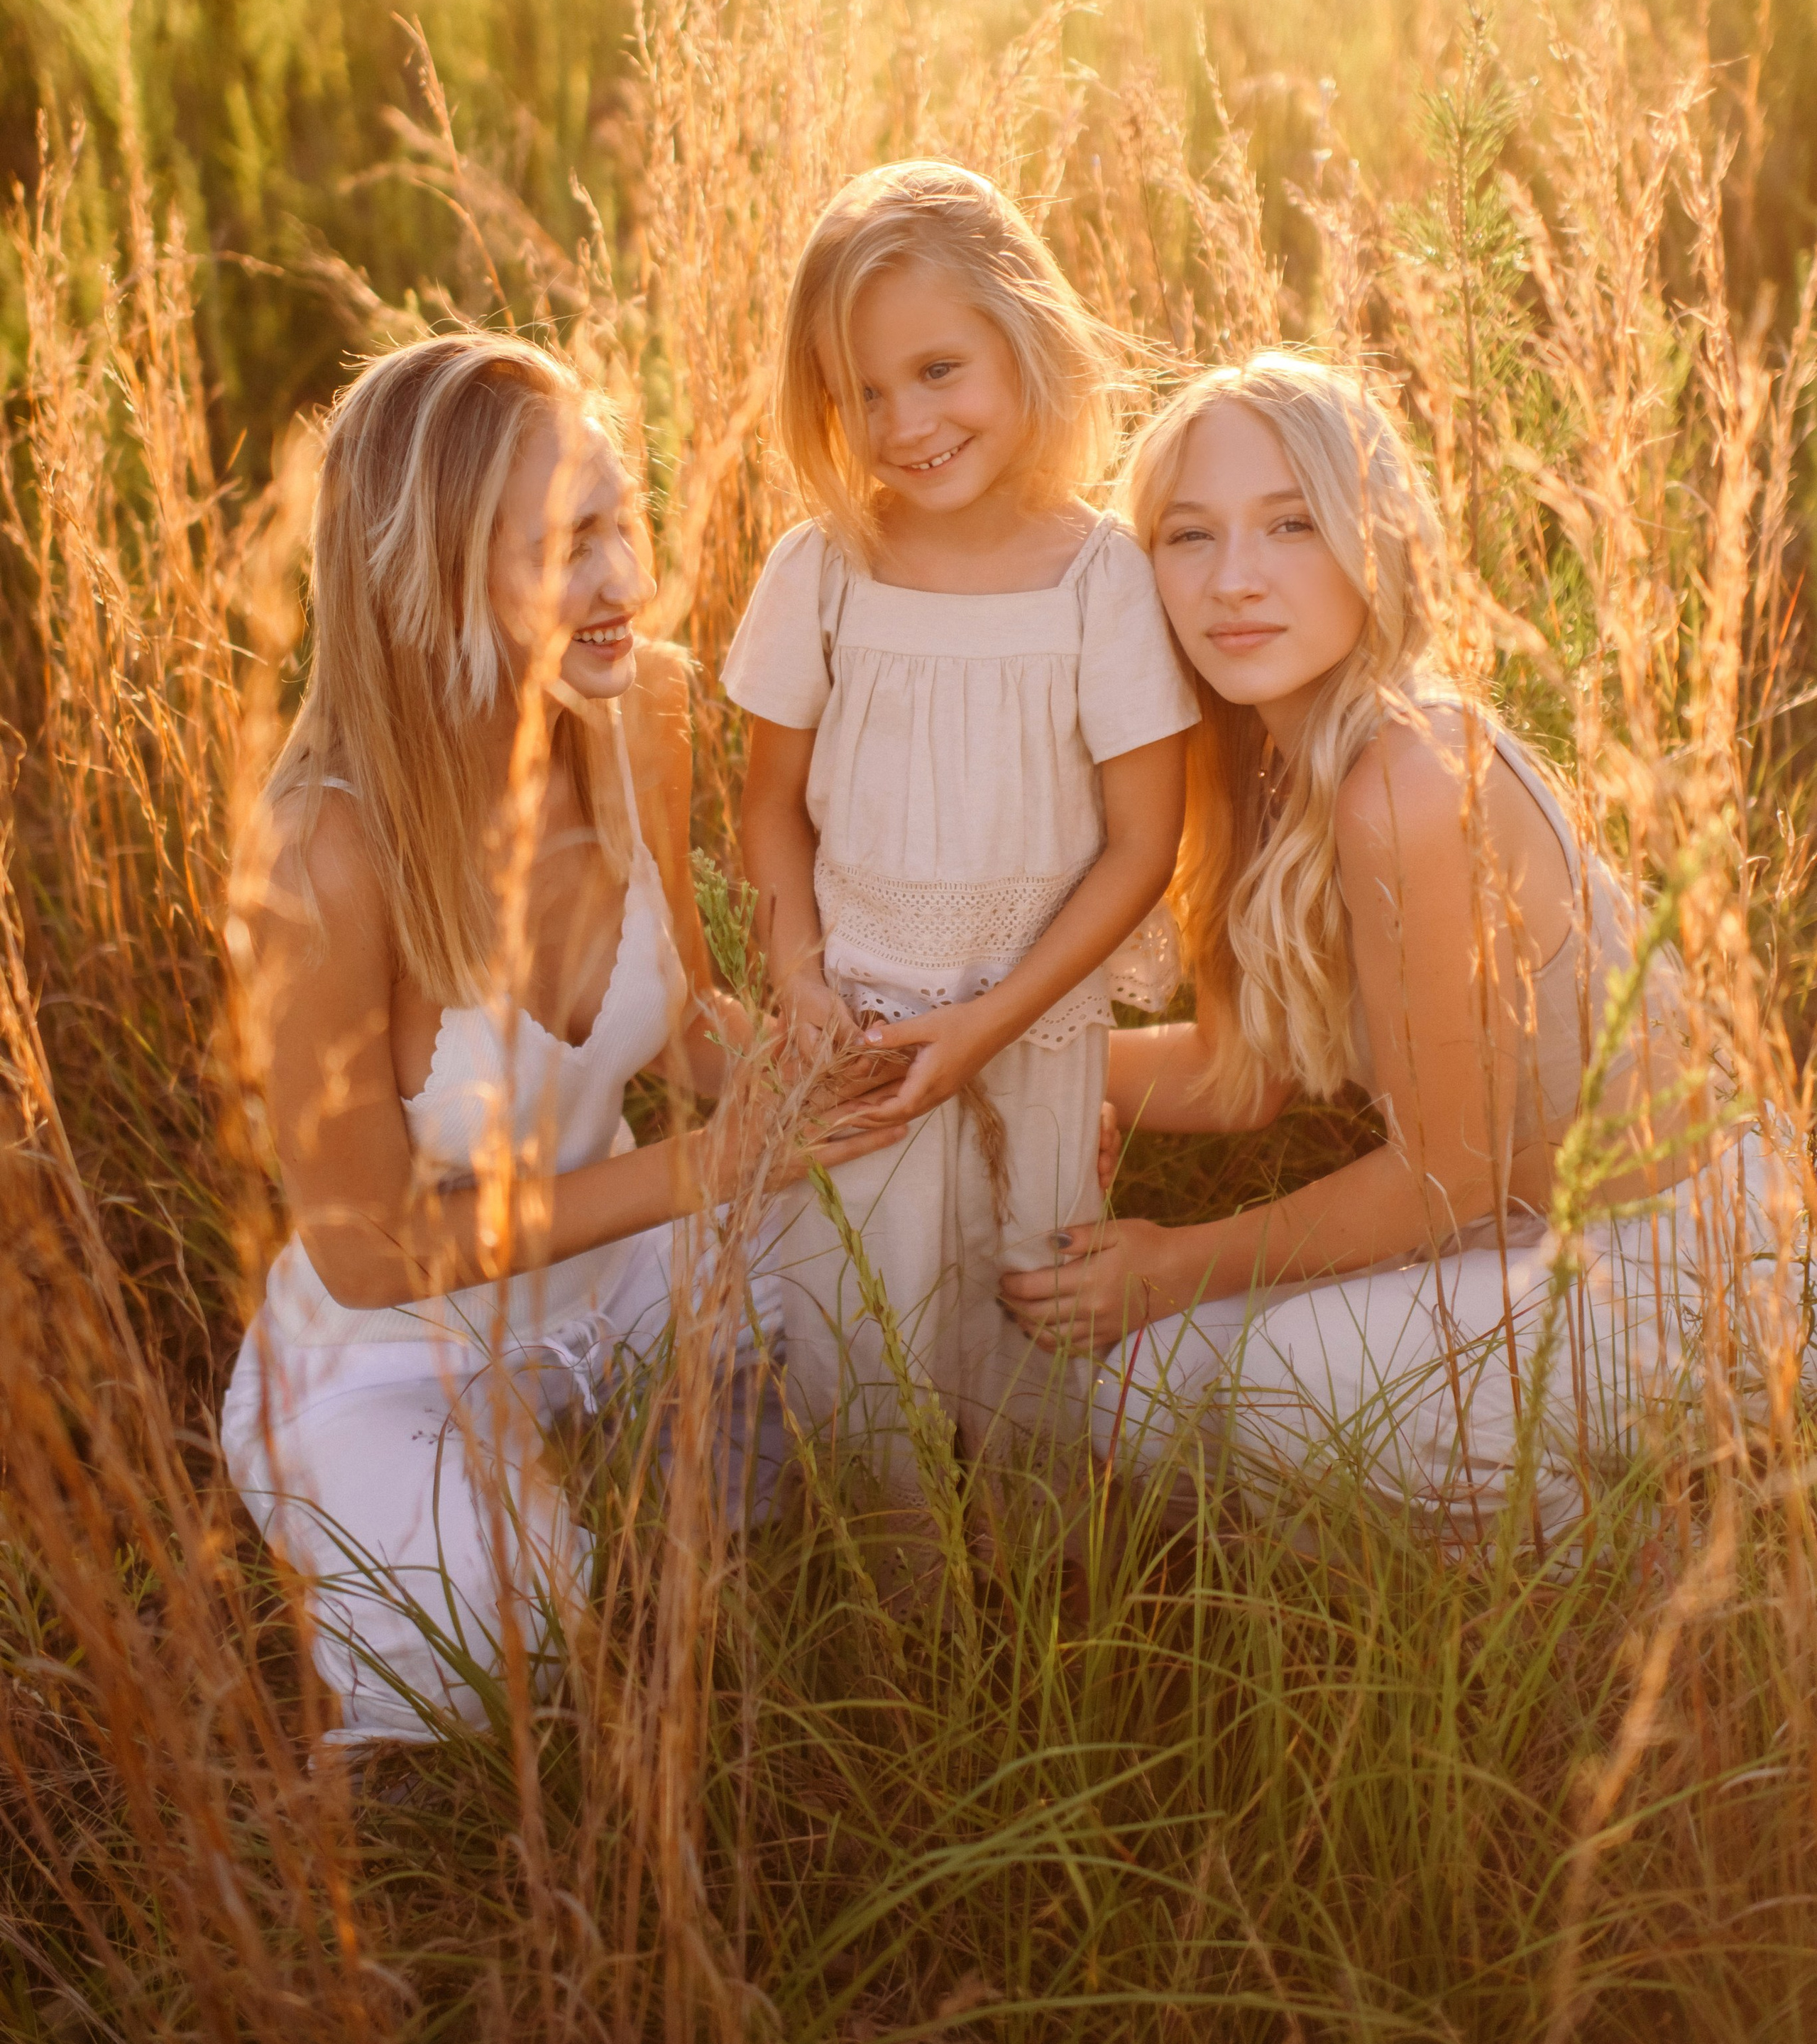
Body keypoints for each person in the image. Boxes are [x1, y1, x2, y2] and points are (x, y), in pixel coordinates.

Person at [222, 332, 902, 1750]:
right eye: (560, 545)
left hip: (623, 1291)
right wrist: (706, 1171)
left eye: (615, 519)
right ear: (426, 578)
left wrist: (820, 1070)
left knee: (883, 1285)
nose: (622, 582)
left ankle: (659, 1492)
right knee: (494, 1663)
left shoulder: (634, 707)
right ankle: (445, 1532)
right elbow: (361, 1247)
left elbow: (688, 1020)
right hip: (395, 1355)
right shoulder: (322, 850)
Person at [999, 351, 1804, 1546]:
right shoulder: (1251, 768)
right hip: (1517, 1242)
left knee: (1289, 1380)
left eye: (1291, 524)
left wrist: (1173, 1265)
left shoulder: (1409, 778)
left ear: (1373, 539)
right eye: (1188, 536)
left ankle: (1637, 1598)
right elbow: (1241, 1075)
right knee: (1121, 1394)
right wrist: (1001, 1066)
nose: (1236, 581)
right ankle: (1484, 1545)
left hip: (1690, 1257)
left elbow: (1449, 1178)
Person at [727, 161, 1197, 1484]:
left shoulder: (1100, 580)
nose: (903, 424)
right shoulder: (823, 570)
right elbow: (768, 811)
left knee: (1030, 1356)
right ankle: (887, 1630)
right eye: (861, 394)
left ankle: (1044, 1626)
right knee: (855, 1355)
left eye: (939, 371)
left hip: (1029, 1038)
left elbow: (1140, 847)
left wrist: (989, 1024)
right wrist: (802, 982)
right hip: (860, 1053)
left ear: (1026, 340)